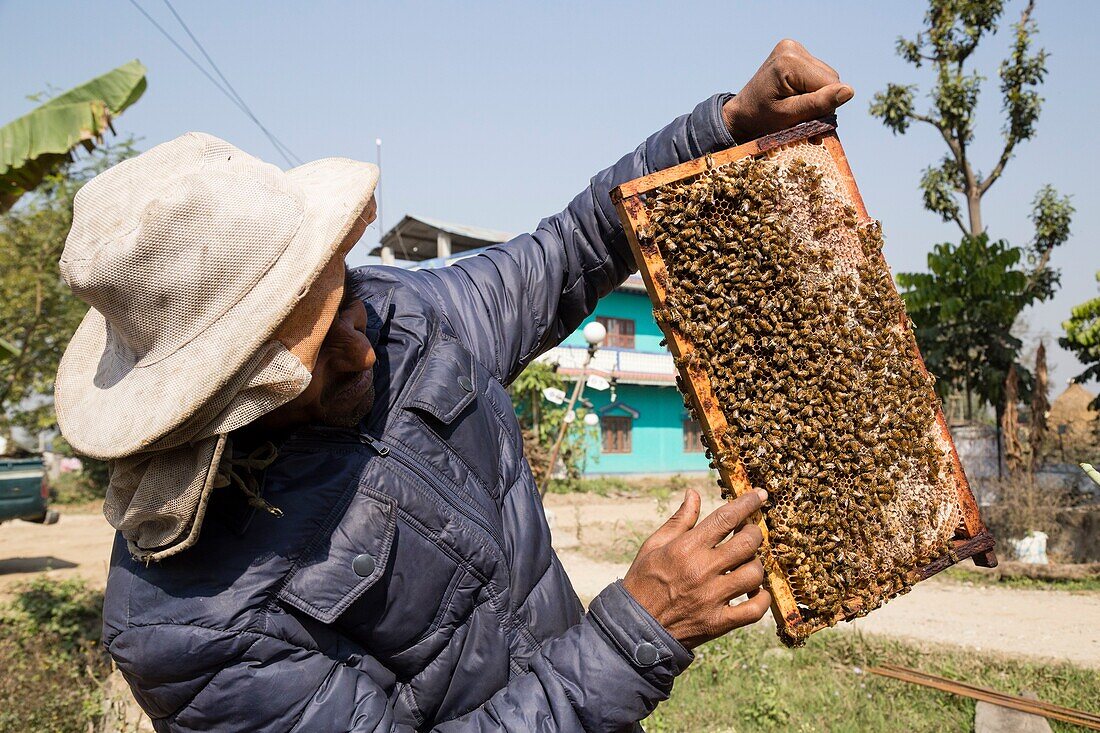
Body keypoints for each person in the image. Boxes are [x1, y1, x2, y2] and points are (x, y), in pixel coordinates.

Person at [57, 40, 854, 731]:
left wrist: (720, 128)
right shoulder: (186, 624)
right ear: (223, 401)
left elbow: (569, 249)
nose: (364, 352)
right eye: (317, 355)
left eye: (344, 300)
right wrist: (633, 630)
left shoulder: (407, 316)